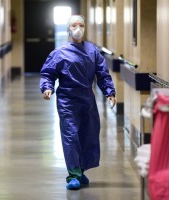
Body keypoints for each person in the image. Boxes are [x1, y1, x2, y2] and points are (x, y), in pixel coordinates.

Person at [39, 15, 116, 190]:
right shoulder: (59, 53)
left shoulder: (92, 51)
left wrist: (109, 92)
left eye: (81, 25)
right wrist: (46, 88)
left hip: (87, 99)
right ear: (68, 29)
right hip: (67, 100)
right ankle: (73, 174)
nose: (78, 28)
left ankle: (81, 170)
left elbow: (102, 74)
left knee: (88, 134)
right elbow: (48, 73)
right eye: (74, 25)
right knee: (71, 135)